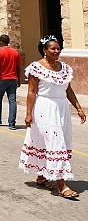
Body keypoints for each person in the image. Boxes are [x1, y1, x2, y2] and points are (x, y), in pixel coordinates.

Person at [19, 35, 86, 198]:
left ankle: (42, 176)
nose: (56, 51)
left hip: (61, 109)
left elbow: (68, 89)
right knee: (56, 144)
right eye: (53, 48)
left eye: (58, 48)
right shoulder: (36, 68)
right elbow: (32, 92)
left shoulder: (64, 68)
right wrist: (28, 114)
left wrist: (78, 107)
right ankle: (62, 185)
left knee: (53, 142)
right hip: (44, 109)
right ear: (44, 50)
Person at [0, 34, 21, 129]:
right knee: (12, 101)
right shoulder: (15, 52)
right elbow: (18, 67)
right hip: (13, 79)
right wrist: (18, 79)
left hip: (1, 79)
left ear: (1, 42)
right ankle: (12, 123)